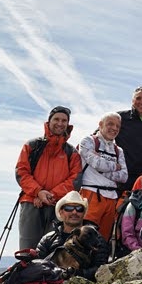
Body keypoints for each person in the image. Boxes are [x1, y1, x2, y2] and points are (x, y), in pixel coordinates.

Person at [15, 106, 83, 249]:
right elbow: (21, 172)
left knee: (53, 251)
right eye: (56, 119)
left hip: (58, 206)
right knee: (27, 250)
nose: (60, 123)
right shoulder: (31, 146)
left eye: (64, 120)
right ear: (49, 121)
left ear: (68, 124)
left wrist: (50, 195)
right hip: (31, 203)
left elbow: (75, 180)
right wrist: (38, 192)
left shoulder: (72, 152)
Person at [77, 112, 128, 241]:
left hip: (111, 198)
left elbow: (123, 176)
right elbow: (96, 163)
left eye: (117, 126)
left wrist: (102, 170)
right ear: (100, 125)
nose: (114, 128)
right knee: (84, 238)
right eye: (110, 124)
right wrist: (114, 166)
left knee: (103, 241)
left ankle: (101, 262)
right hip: (90, 194)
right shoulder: (88, 141)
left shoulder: (118, 150)